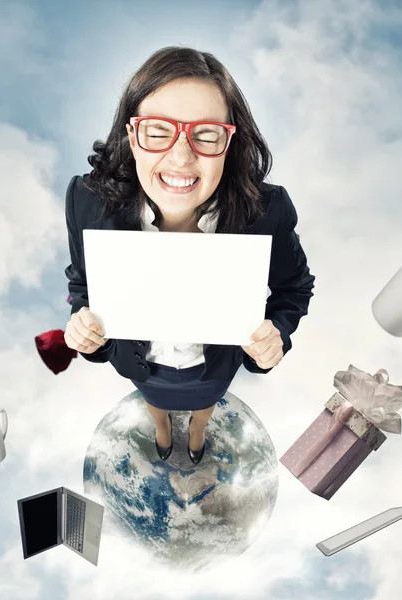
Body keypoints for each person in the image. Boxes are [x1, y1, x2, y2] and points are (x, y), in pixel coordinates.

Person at [63, 46, 315, 465]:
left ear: (229, 141)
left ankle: (197, 434)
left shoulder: (267, 212)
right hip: (141, 367)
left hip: (212, 371)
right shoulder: (86, 203)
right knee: (155, 403)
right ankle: (162, 430)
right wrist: (85, 332)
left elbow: (294, 288)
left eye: (206, 134)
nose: (181, 157)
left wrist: (277, 335)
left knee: (205, 405)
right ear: (132, 134)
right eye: (158, 131)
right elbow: (82, 285)